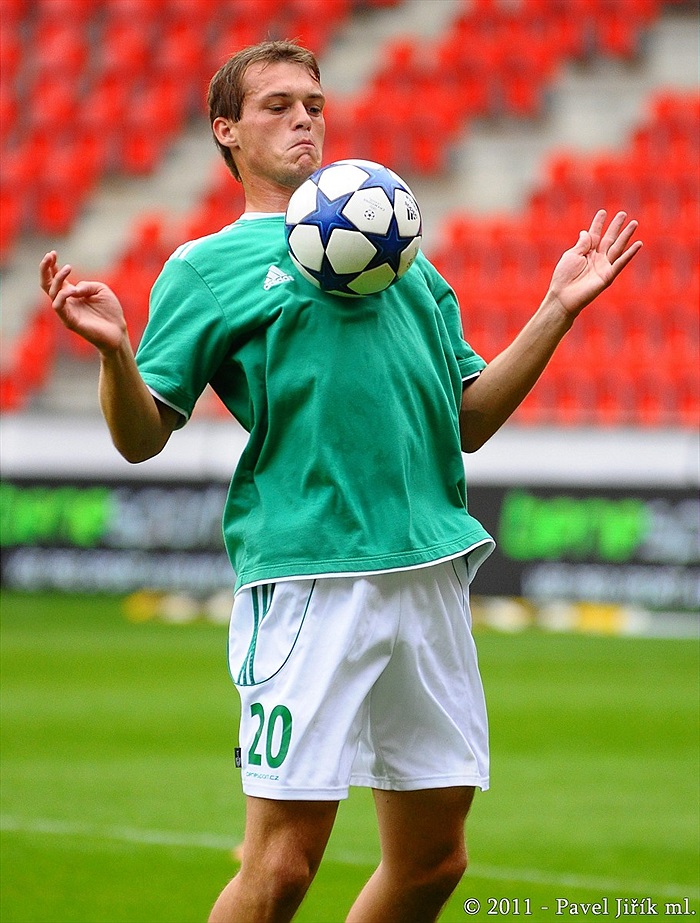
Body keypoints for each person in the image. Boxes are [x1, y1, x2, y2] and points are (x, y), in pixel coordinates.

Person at [40, 40, 642, 923]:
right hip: (309, 577)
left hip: (428, 568)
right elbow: (140, 438)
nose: (303, 119)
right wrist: (118, 357)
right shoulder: (206, 269)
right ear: (227, 132)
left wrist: (556, 309)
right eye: (278, 105)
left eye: (314, 104)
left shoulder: (400, 255)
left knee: (435, 860)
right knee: (281, 863)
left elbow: (466, 418)